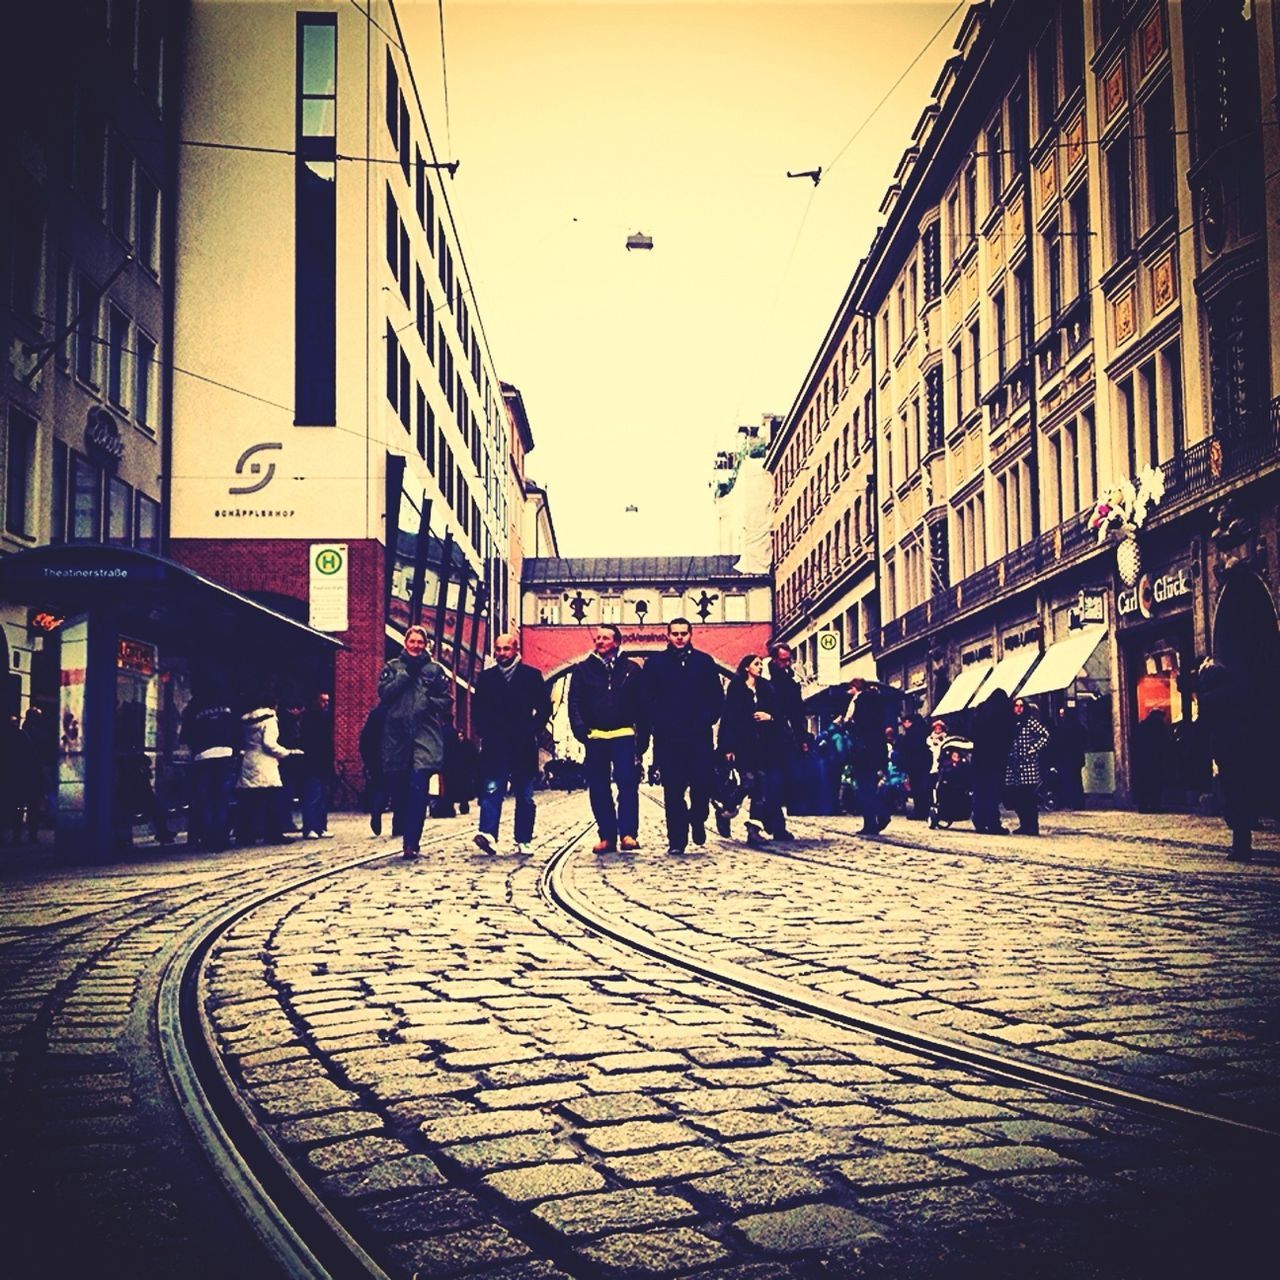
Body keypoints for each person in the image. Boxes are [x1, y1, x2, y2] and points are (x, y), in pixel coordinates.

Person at [639, 618, 725, 854]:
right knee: (673, 791)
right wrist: (659, 720)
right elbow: (646, 699)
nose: (679, 637)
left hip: (699, 736)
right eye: (675, 633)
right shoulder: (655, 664)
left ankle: (698, 820)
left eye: (683, 633)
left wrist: (707, 718)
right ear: (668, 636)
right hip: (668, 738)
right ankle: (676, 840)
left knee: (702, 786)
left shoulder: (704, 662)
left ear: (690, 635)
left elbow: (717, 697)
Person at [568, 624, 647, 853]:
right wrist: (580, 728)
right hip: (596, 735)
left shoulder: (632, 669)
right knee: (599, 786)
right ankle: (607, 836)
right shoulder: (582, 669)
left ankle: (628, 834)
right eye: (598, 638)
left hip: (624, 734)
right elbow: (574, 701)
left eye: (605, 638)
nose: (600, 641)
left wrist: (643, 736)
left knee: (627, 783)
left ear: (617, 642)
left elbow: (642, 705)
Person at [472, 632, 552, 856]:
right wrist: (484, 731)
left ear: (516, 650)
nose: (501, 653)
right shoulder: (486, 678)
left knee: (525, 795)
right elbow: (477, 708)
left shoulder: (531, 676)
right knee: (492, 789)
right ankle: (487, 834)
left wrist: (532, 729)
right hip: (495, 744)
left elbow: (545, 708)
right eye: (498, 649)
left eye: (506, 649)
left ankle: (523, 839)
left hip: (522, 744)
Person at [378, 624, 454, 859]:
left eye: (420, 642)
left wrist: (429, 703)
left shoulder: (434, 670)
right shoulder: (393, 667)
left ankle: (411, 843)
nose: (416, 646)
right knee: (399, 789)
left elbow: (447, 700)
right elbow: (384, 693)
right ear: (405, 643)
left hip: (424, 735)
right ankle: (402, 826)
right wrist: (405, 676)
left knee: (418, 789)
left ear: (425, 645)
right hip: (397, 737)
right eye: (412, 641)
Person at [1196, 657, 1265, 860]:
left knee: (1232, 797)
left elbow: (1204, 727)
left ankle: (1241, 846)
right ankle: (1244, 840)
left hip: (1226, 753)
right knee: (1245, 794)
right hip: (1247, 750)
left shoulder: (1209, 699)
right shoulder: (1240, 693)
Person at [717, 654, 787, 845]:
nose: (760, 667)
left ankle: (753, 830)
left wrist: (769, 717)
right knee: (749, 781)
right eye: (756, 664)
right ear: (747, 667)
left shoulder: (767, 688)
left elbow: (779, 714)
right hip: (743, 745)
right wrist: (727, 747)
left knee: (761, 786)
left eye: (760, 664)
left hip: (765, 746)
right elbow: (728, 718)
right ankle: (727, 809)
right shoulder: (736, 687)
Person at [235, 693, 302, 845]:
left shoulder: (247, 721)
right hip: (265, 763)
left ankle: (245, 834)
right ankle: (273, 834)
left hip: (249, 761)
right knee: (273, 800)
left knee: (250, 801)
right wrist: (286, 753)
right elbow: (269, 744)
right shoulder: (270, 719)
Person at [180, 683, 238, 851]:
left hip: (203, 755)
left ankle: (208, 837)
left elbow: (186, 735)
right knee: (222, 798)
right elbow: (236, 730)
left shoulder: (194, 707)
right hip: (226, 753)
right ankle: (221, 838)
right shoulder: (227, 706)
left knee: (205, 798)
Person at [841, 678, 891, 835]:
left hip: (864, 751)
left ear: (855, 688)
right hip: (876, 750)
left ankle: (875, 819)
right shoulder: (877, 701)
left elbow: (861, 727)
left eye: (849, 689)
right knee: (869, 786)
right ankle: (874, 819)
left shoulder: (860, 702)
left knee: (864, 788)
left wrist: (846, 723)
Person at [766, 643, 806, 820]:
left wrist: (802, 738)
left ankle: (775, 822)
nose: (787, 664)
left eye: (789, 659)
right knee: (767, 781)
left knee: (780, 780)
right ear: (774, 659)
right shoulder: (765, 680)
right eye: (783, 660)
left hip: (785, 737)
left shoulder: (791, 681)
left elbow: (797, 712)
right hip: (765, 737)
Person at [1003, 696, 1051, 834]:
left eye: (1021, 706)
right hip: (1013, 767)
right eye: (1016, 706)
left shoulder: (1029, 722)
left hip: (1027, 766)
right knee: (1017, 798)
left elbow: (1045, 735)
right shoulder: (1010, 723)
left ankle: (1032, 826)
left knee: (1029, 798)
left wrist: (1033, 749)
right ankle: (1024, 824)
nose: (1018, 709)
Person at [970, 687, 1015, 834]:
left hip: (979, 758)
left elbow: (972, 732)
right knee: (993, 792)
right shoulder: (1004, 713)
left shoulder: (980, 712)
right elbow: (1009, 735)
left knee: (980, 791)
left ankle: (980, 822)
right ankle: (993, 823)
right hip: (996, 759)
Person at [299, 691, 335, 838]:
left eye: (327, 701)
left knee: (320, 797)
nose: (326, 704)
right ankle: (310, 827)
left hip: (322, 763)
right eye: (323, 701)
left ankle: (320, 827)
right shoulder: (311, 719)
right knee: (312, 796)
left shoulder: (323, 718)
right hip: (313, 763)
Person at [358, 702, 390, 836]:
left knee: (380, 788)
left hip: (377, 759)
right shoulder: (398, 711)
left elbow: (364, 738)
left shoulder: (375, 713)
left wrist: (368, 760)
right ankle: (398, 824)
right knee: (399, 790)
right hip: (395, 757)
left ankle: (377, 809)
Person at [1131, 708, 1170, 813]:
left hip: (1142, 760)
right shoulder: (1159, 727)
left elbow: (1133, 742)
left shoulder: (1141, 727)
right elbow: (1165, 743)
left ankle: (1143, 806)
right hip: (1155, 759)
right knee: (1155, 783)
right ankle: (1154, 805)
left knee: (1143, 783)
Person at [895, 712, 932, 820]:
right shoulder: (923, 730)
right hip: (924, 762)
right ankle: (924, 810)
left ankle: (920, 811)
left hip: (915, 763)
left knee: (917, 787)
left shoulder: (912, 733)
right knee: (923, 787)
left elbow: (907, 746)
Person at [1049, 706, 1087, 807]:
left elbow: (1060, 744)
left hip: (1067, 759)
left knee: (1069, 781)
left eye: (1062, 714)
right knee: (1076, 780)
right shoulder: (1078, 727)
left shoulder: (1064, 728)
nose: (1061, 716)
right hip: (1074, 759)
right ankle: (1077, 802)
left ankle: (1071, 802)